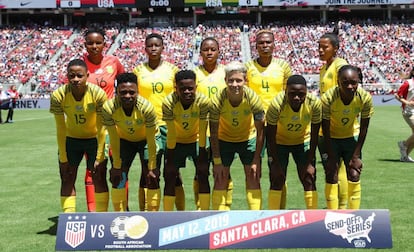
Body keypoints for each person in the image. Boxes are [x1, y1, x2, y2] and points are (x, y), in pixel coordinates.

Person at [50, 58, 108, 213]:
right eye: (72, 76)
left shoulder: (98, 94)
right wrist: (63, 157)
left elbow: (103, 128)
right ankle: (70, 218)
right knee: (67, 176)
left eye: (79, 76)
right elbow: (60, 127)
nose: (75, 79)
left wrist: (100, 156)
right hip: (71, 140)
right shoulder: (58, 95)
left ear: (87, 75)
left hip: (94, 140)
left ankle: (100, 218)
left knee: (99, 176)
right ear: (67, 76)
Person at [132, 33, 183, 211]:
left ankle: (178, 214)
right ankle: (147, 214)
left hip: (169, 126)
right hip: (147, 128)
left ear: (163, 48)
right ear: (145, 48)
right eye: (150, 46)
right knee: (148, 171)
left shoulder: (173, 70)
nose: (153, 48)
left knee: (174, 171)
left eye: (157, 45)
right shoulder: (138, 71)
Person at [245, 29, 292, 209]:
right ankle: (255, 216)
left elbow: (290, 93)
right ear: (256, 46)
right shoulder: (248, 67)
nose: (265, 46)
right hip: (253, 126)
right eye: (261, 43)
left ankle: (278, 213)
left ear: (274, 45)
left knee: (278, 170)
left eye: (268, 43)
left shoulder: (283, 66)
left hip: (277, 125)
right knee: (253, 170)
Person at [209, 61, 265, 210]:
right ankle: (218, 219)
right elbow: (213, 132)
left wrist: (256, 160)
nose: (235, 84)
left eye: (239, 80)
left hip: (248, 139)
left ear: (245, 81)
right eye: (231, 80)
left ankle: (255, 217)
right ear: (225, 80)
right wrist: (217, 161)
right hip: (224, 140)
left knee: (253, 176)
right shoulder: (217, 100)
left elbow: (261, 131)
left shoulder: (253, 98)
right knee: (220, 177)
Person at [102, 73, 161, 211]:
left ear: (138, 92)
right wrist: (116, 165)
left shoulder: (146, 108)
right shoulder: (108, 108)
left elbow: (152, 139)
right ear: (116, 92)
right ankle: (121, 214)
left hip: (147, 140)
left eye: (131, 92)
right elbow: (113, 137)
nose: (127, 96)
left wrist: (152, 165)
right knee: (119, 176)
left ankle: (151, 216)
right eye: (123, 92)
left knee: (151, 176)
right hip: (124, 140)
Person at [82, 27, 125, 212]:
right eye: (90, 43)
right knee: (93, 169)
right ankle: (95, 212)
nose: (94, 46)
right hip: (89, 126)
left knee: (118, 166)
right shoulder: (79, 64)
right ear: (85, 44)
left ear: (104, 44)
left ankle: (121, 209)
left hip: (112, 125)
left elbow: (126, 84)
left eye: (98, 42)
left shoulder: (114, 62)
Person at [321, 65, 373, 210]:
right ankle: (333, 213)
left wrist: (356, 155)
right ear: (338, 82)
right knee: (332, 173)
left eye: (353, 82)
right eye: (345, 82)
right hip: (329, 138)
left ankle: (354, 214)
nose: (350, 86)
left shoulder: (365, 98)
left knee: (354, 173)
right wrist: (331, 155)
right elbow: (324, 128)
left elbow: (364, 127)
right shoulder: (328, 98)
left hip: (350, 137)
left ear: (358, 82)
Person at [266, 75, 321, 209]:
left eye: (301, 94)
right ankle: (273, 218)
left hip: (302, 141)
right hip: (279, 143)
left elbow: (315, 134)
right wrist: (275, 161)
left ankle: (313, 217)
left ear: (306, 92)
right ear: (286, 92)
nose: (297, 98)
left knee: (309, 177)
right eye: (292, 94)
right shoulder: (276, 104)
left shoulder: (314, 104)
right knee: (277, 178)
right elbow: (270, 135)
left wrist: (310, 161)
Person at [162, 70, 210, 211]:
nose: (187, 91)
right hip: (176, 141)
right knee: (170, 175)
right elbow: (170, 132)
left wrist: (202, 154)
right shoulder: (168, 102)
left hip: (196, 139)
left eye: (191, 88)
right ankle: (167, 215)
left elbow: (203, 129)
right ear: (176, 88)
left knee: (203, 174)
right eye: (183, 88)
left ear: (196, 87)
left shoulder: (203, 101)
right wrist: (170, 157)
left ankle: (204, 212)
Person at [193, 37, 232, 210]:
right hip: (199, 132)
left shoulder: (226, 73)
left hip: (222, 131)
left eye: (213, 49)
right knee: (200, 171)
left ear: (218, 52)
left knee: (224, 171)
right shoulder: (193, 74)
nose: (209, 52)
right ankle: (201, 209)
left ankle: (224, 208)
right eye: (205, 49)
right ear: (200, 52)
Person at [318, 31, 349, 209]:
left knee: (340, 168)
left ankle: (342, 207)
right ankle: (333, 205)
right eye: (319, 47)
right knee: (330, 168)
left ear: (335, 48)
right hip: (325, 125)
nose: (321, 51)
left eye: (325, 47)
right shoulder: (323, 69)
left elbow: (346, 92)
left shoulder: (340, 65)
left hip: (338, 126)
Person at [395, 67, 414, 162]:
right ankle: (404, 145)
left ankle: (405, 156)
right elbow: (397, 95)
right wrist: (407, 102)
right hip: (408, 111)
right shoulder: (408, 83)